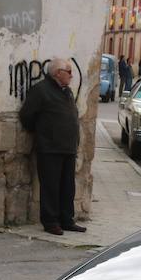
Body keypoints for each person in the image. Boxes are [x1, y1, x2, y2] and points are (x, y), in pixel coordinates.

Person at [19, 58, 86, 236]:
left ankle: (66, 220)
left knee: (67, 187)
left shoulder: (67, 92)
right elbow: (27, 116)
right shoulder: (41, 90)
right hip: (50, 148)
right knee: (50, 187)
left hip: (68, 148)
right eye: (69, 71)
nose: (72, 75)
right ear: (57, 73)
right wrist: (44, 132)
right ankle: (50, 222)